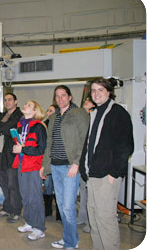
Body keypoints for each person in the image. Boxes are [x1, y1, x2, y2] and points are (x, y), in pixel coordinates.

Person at [79, 79, 134, 250]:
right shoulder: (95, 112)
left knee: (105, 219)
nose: (96, 93)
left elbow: (126, 146)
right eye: (93, 90)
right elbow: (90, 143)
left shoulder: (118, 113)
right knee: (94, 218)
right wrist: (83, 167)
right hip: (92, 174)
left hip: (107, 176)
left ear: (109, 92)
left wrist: (114, 174)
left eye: (100, 90)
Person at [40, 85, 89, 249]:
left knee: (68, 207)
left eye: (63, 95)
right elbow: (49, 144)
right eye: (57, 96)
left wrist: (76, 162)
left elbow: (84, 140)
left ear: (69, 97)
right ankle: (69, 238)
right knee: (61, 206)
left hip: (70, 166)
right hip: (55, 166)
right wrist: (44, 166)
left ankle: (71, 242)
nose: (60, 99)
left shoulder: (79, 113)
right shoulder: (54, 116)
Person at [13, 100, 47, 241]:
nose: (25, 105)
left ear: (34, 112)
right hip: (22, 164)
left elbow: (41, 149)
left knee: (35, 198)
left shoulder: (39, 127)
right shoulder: (20, 125)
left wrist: (23, 149)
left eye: (29, 105)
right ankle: (29, 222)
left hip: (34, 166)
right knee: (25, 196)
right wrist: (17, 149)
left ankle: (39, 228)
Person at [0, 93, 23, 223]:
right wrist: (1, 128)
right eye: (5, 100)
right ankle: (7, 207)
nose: (7, 102)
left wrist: (1, 128)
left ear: (16, 101)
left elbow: (7, 128)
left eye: (10, 100)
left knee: (12, 184)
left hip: (11, 154)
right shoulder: (1, 115)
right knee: (2, 182)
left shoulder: (18, 115)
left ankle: (15, 211)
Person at [77, 96, 95, 233]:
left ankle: (91, 222)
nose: (85, 103)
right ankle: (82, 217)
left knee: (90, 195)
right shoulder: (82, 118)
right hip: (82, 162)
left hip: (92, 164)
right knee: (83, 192)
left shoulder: (94, 118)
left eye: (88, 102)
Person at [42, 104, 61, 220]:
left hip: (58, 160)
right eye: (48, 110)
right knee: (48, 186)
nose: (48, 113)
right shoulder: (43, 125)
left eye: (51, 111)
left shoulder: (59, 124)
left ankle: (60, 213)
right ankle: (47, 210)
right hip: (47, 160)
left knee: (59, 189)